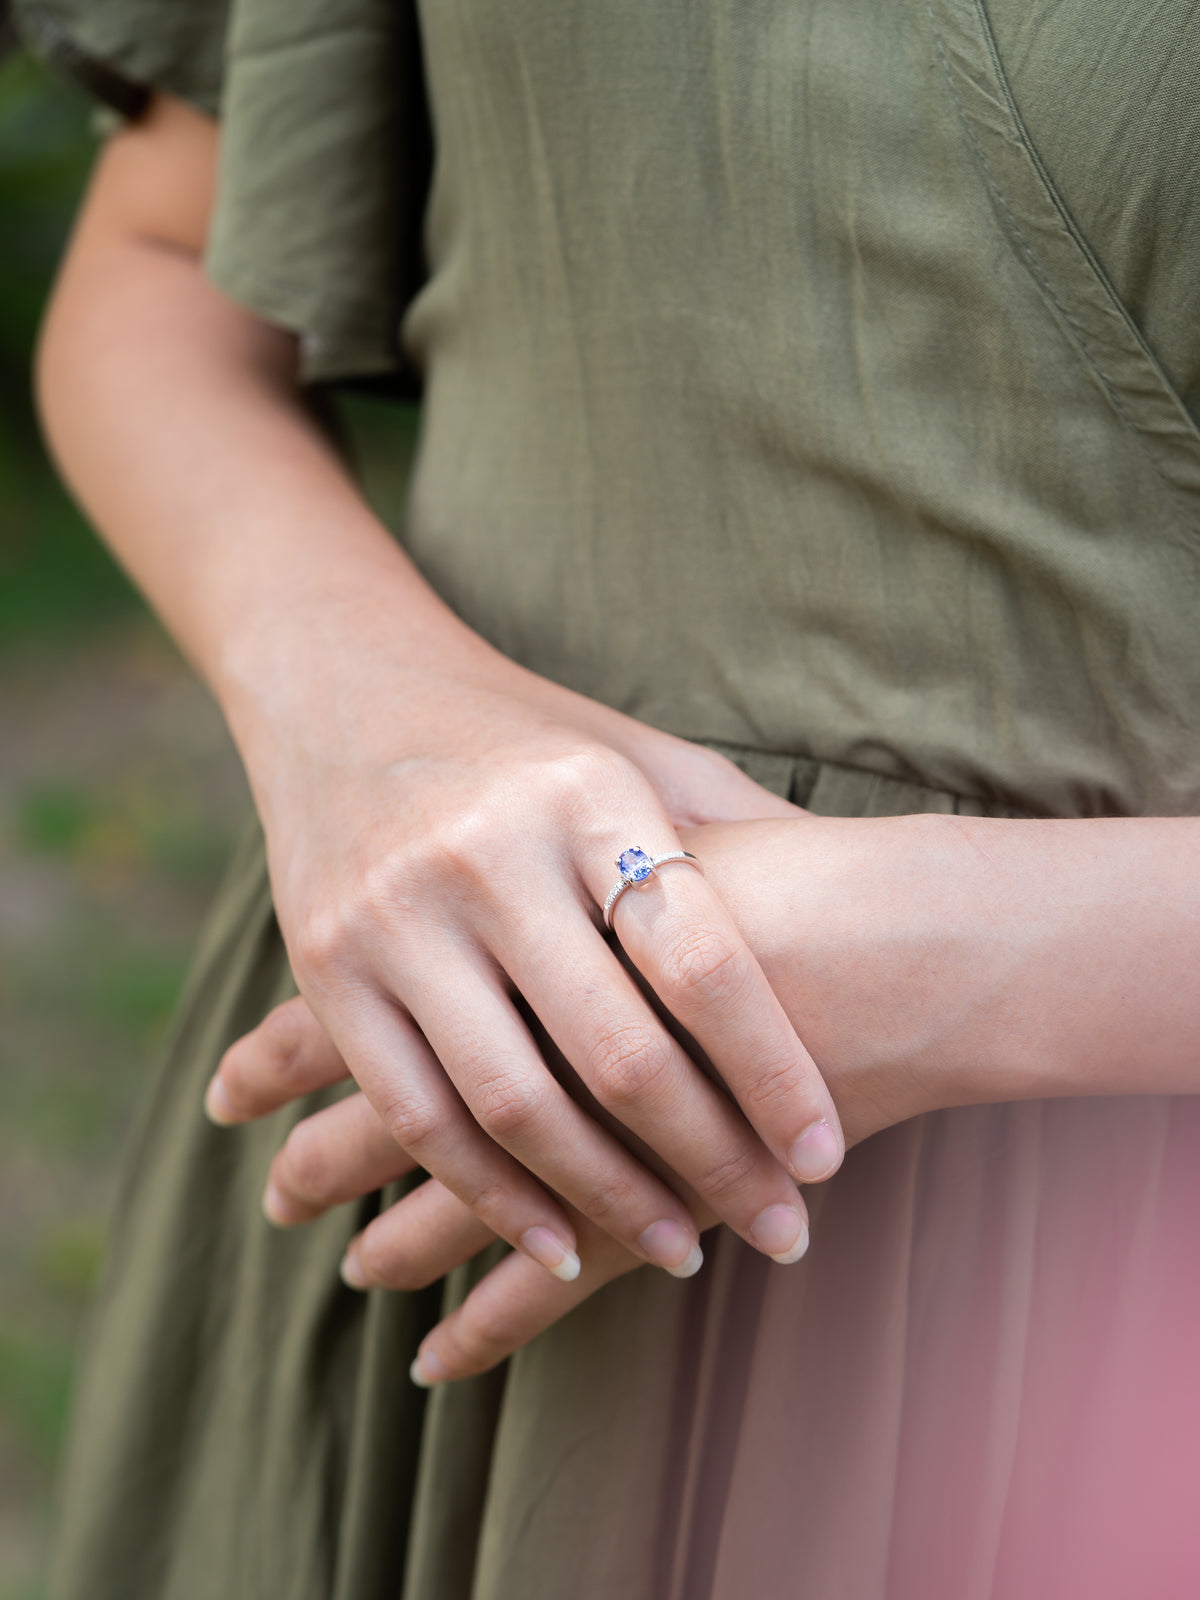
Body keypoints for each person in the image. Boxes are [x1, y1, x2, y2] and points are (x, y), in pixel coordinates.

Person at [16, 0, 1200, 1596]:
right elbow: (163, 270)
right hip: (468, 1082)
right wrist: (354, 712)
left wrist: (954, 951)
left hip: (1124, 1310)